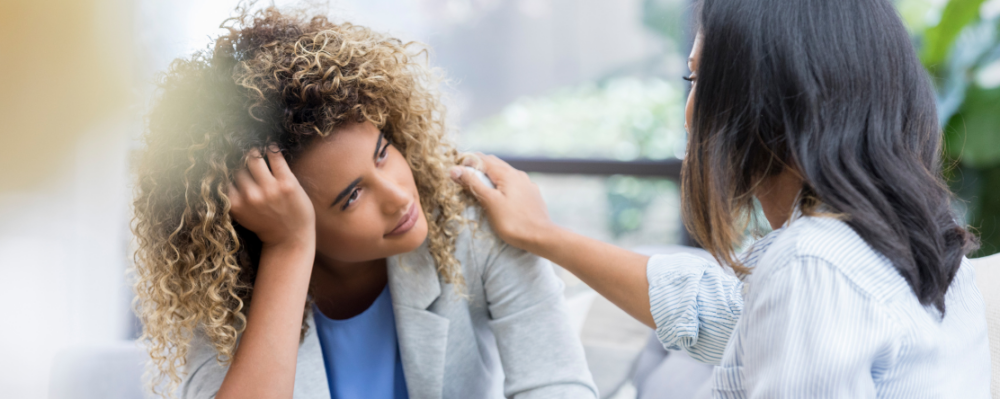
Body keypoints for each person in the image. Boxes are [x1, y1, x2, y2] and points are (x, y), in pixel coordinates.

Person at [450, 0, 992, 397]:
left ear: (767, 98)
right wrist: (543, 236)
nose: (689, 111)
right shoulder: (916, 240)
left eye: (697, 78)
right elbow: (714, 310)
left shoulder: (814, 265)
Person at [131, 7, 596, 399]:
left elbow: (560, 385)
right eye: (351, 196)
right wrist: (289, 249)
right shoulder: (221, 288)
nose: (398, 196)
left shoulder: (474, 225)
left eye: (384, 151)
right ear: (270, 212)